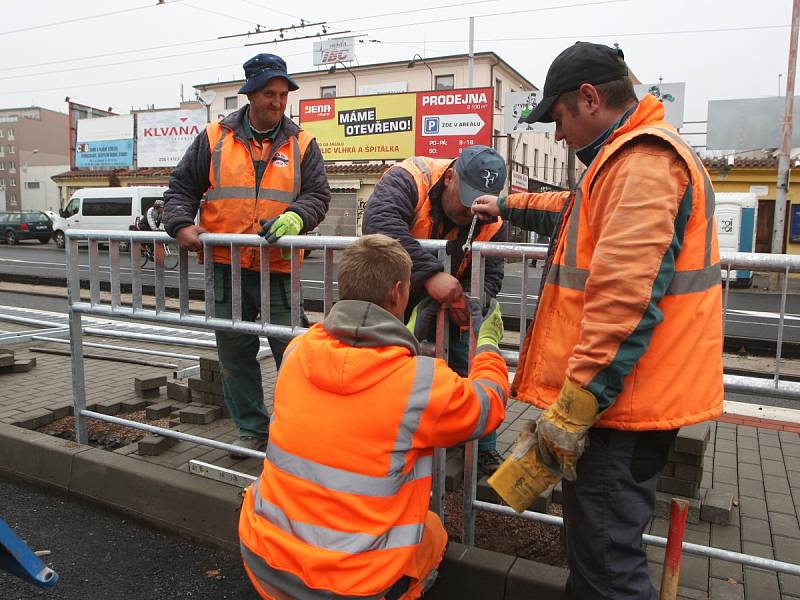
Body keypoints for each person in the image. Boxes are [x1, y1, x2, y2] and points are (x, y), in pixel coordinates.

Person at [472, 42, 723, 599]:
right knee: (595, 550)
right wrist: (506, 205)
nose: (557, 135)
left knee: (608, 566)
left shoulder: (644, 162)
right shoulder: (626, 162)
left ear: (589, 98)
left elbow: (622, 304)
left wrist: (572, 409)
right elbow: (573, 209)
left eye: (558, 118)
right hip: (625, 399)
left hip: (618, 408)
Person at [238, 234, 509, 599]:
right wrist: (489, 345)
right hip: (351, 588)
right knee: (431, 532)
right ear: (398, 292)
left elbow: (363, 374)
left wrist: (406, 337)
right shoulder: (422, 384)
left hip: (265, 559)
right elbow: (486, 407)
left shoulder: (298, 351)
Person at [163, 52, 331, 456]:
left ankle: (298, 430)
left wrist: (296, 218)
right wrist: (181, 225)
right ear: (251, 94)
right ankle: (252, 432)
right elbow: (179, 189)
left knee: (292, 354)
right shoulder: (213, 138)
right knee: (235, 355)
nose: (277, 101)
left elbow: (318, 195)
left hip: (278, 267)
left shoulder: (302, 142)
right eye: (270, 93)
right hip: (226, 266)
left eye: (283, 94)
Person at [362, 145, 508, 476]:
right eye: (466, 197)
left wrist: (470, 301)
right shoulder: (412, 177)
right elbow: (379, 221)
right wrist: (432, 275)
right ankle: (391, 433)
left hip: (451, 301)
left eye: (480, 202)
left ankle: (481, 448)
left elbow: (492, 271)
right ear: (451, 175)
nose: (472, 210)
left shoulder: (491, 215)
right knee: (389, 366)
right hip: (396, 295)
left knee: (470, 364)